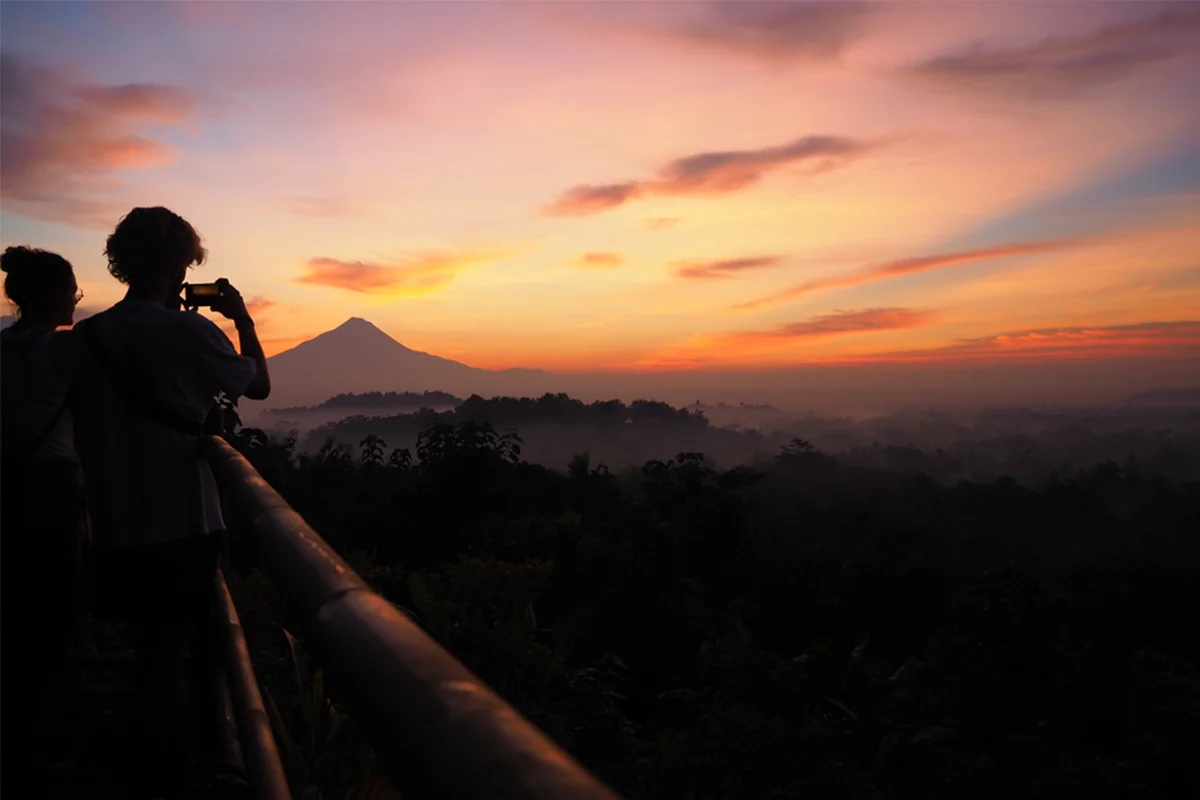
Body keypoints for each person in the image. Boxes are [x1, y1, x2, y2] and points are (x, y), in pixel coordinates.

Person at [72, 206, 270, 799]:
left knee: (148, 651)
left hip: (112, 518)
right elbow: (256, 384)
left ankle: (157, 764)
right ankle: (181, 773)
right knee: (181, 654)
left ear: (121, 261)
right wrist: (241, 318)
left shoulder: (87, 337)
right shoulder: (190, 333)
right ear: (182, 264)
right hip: (183, 516)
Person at [0, 246, 88, 780]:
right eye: (73, 291)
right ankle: (48, 744)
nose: (75, 301)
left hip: (8, 486)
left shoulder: (3, 347)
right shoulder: (63, 348)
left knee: (14, 608)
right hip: (53, 488)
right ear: (55, 296)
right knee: (56, 609)